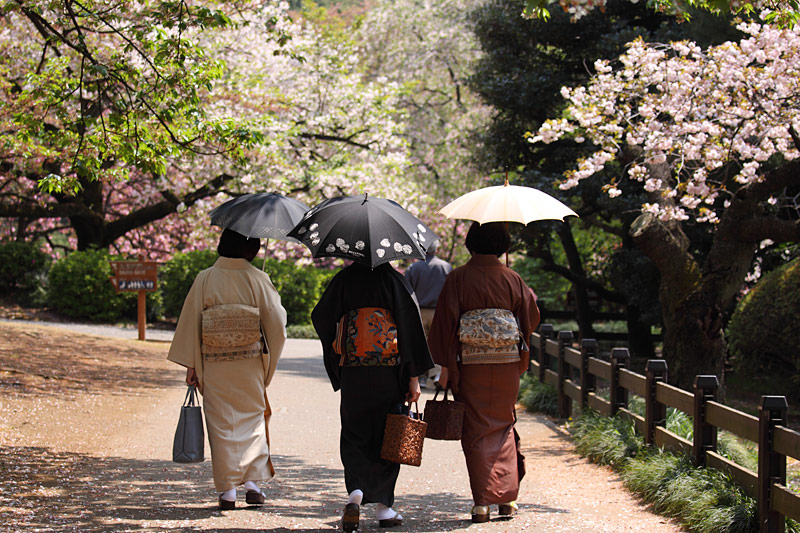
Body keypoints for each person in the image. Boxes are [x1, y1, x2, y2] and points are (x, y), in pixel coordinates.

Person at [427, 221, 540, 524]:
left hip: (471, 363)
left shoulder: (458, 278)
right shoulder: (513, 278)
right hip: (507, 364)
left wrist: (446, 365)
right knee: (504, 423)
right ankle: (507, 499)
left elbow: (445, 324)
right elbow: (531, 317)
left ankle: (482, 504)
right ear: (504, 246)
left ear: (471, 244)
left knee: (475, 429)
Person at [167, 229, 287, 510]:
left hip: (214, 363)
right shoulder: (259, 278)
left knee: (220, 424)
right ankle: (253, 485)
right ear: (253, 249)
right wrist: (267, 361)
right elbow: (277, 326)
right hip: (249, 363)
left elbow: (191, 322)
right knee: (253, 419)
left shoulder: (205, 278)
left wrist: (193, 364)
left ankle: (227, 491)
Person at [312, 261, 434, 532]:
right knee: (387, 434)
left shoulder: (344, 279)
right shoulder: (394, 279)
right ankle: (384, 509)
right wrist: (413, 378)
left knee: (354, 431)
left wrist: (340, 348)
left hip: (354, 370)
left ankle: (355, 494)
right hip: (388, 372)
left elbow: (321, 316)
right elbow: (410, 328)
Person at [404, 239, 452, 388]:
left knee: (419, 344)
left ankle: (420, 377)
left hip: (419, 311)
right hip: (439, 312)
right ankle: (436, 375)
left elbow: (406, 291)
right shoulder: (446, 267)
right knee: (437, 344)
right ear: (436, 250)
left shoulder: (414, 268)